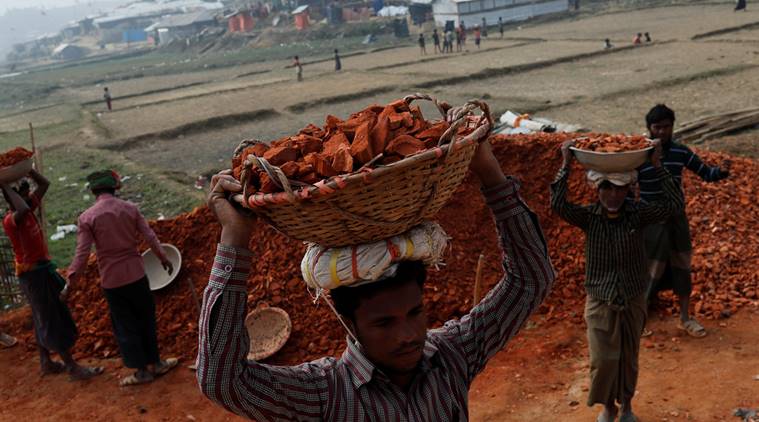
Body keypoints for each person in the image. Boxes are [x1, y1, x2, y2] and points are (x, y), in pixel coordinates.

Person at [197, 140, 556, 420]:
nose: (408, 335)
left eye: (414, 313)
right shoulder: (327, 394)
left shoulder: (451, 356)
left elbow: (530, 281)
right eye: (384, 323)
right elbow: (223, 381)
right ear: (350, 323)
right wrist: (235, 236)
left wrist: (490, 173)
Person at [552, 139, 683, 422]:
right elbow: (558, 204)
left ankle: (626, 406)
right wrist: (566, 164)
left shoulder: (638, 214)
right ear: (597, 189)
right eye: (607, 188)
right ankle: (607, 407)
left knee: (628, 357)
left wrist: (657, 165)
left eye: (619, 188)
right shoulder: (589, 218)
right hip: (600, 300)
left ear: (629, 189)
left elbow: (674, 204)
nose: (613, 195)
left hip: (633, 298)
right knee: (602, 360)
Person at [67, 170, 179, 386]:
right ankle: (156, 363)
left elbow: (82, 254)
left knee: (125, 324)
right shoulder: (130, 209)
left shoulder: (87, 218)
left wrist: (71, 281)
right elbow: (150, 236)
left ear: (93, 191)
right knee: (146, 319)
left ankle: (141, 372)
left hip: (112, 281)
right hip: (137, 274)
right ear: (114, 187)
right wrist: (163, 258)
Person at [638, 105, 730, 338]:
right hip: (651, 220)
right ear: (649, 128)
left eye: (666, 127)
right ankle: (639, 321)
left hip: (676, 218)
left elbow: (706, 173)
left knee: (681, 264)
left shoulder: (680, 152)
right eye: (657, 127)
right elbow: (625, 186)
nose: (661, 132)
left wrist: (721, 172)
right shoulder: (638, 155)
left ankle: (685, 318)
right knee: (650, 268)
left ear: (672, 127)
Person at [1, 171, 102, 380]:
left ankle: (46, 361)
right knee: (50, 317)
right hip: (33, 275)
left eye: (27, 193)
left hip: (40, 271)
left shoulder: (27, 209)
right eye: (22, 195)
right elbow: (21, 207)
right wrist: (4, 184)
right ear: (11, 199)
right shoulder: (11, 220)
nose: (28, 197)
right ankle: (72, 367)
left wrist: (28, 170)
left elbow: (44, 184)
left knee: (42, 316)